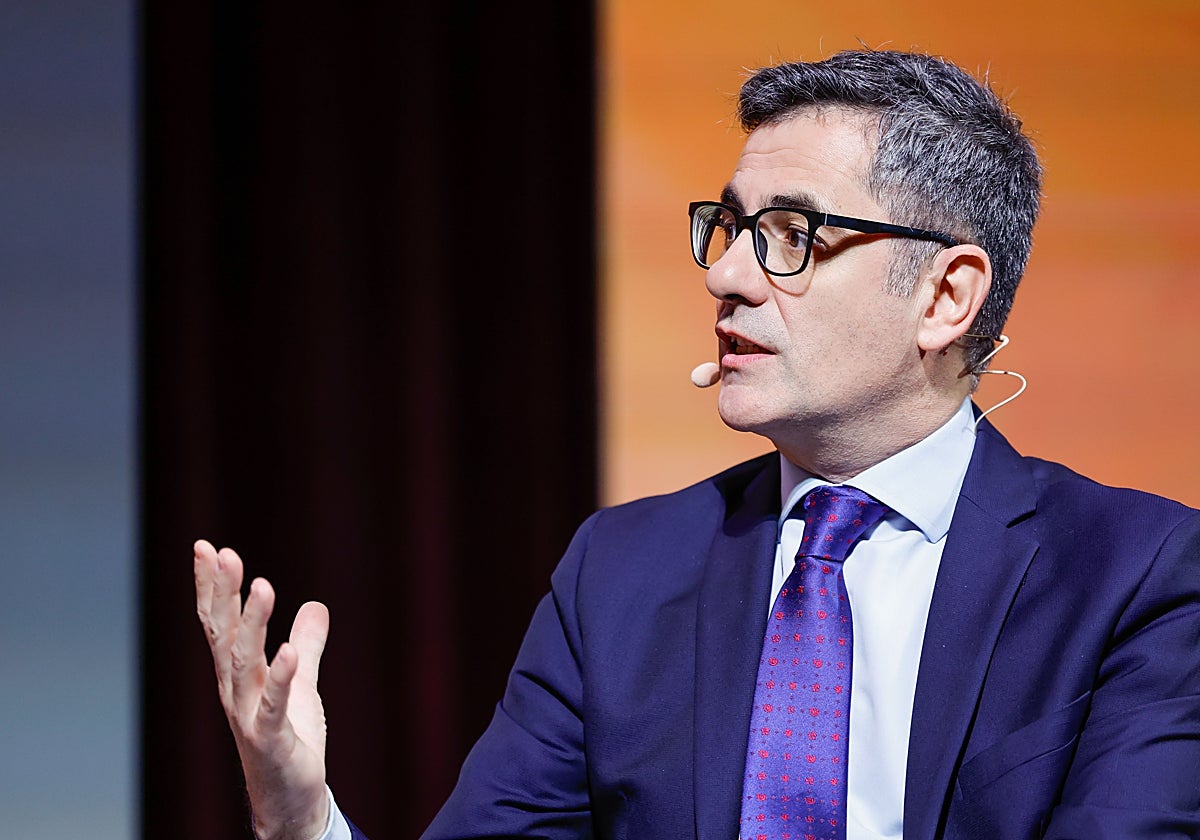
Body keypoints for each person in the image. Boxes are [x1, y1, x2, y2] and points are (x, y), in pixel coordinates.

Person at [194, 49, 1200, 840]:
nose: (726, 276)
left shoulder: (1136, 577)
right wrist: (299, 820)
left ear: (946, 296)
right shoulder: (624, 573)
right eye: (726, 227)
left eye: (793, 235)